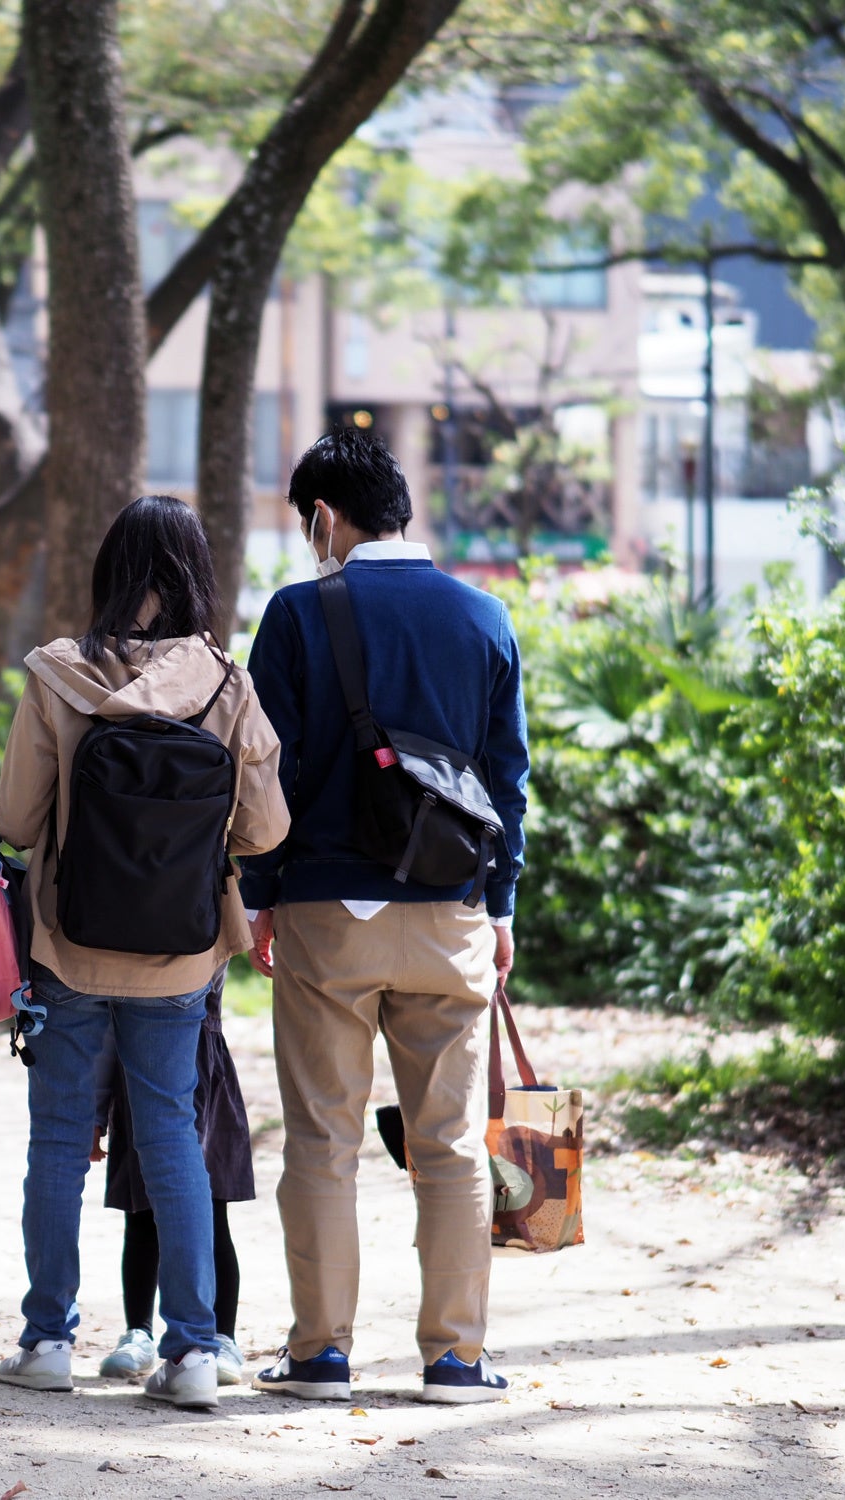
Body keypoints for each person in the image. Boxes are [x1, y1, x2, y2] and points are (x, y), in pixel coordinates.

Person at [241, 428, 529, 1405]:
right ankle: (454, 1357)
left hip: (325, 916)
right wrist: (499, 907)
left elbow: (262, 771)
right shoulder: (482, 615)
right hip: (449, 913)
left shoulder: (291, 616)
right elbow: (506, 783)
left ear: (324, 518)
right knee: (446, 1143)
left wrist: (257, 893)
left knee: (321, 1140)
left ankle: (319, 1353)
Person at [0, 494, 288, 1412]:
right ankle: (192, 1351)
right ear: (195, 572)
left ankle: (47, 1340)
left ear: (109, 571)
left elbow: (15, 821)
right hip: (180, 956)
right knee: (170, 1138)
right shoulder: (226, 685)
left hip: (67, 945)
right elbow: (268, 829)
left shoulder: (55, 676)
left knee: (54, 1139)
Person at [91, 969, 255, 1386]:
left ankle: (222, 1337)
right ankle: (139, 1332)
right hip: (139, 1064)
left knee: (212, 1210)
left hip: (201, 1063)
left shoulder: (207, 912)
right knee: (141, 1212)